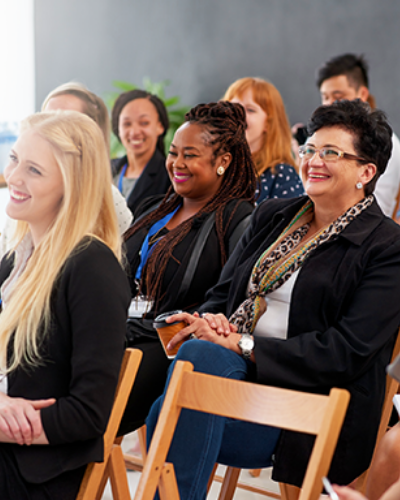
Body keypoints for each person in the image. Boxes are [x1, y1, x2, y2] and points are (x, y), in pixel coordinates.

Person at [145, 99, 400, 500]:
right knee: (194, 369)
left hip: (311, 401)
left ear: (366, 172)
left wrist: (244, 345)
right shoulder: (274, 215)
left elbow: (345, 352)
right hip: (232, 378)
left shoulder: (386, 246)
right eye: (309, 149)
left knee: (171, 407)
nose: (313, 160)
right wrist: (211, 322)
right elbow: (221, 296)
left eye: (330, 153)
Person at [0, 111, 131, 499]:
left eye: (34, 170)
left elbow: (89, 413)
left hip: (34, 473)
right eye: (14, 160)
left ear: (70, 186)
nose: (15, 177)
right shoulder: (17, 259)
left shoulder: (91, 267)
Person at [119, 101, 256, 435]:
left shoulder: (237, 220)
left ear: (223, 161)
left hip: (167, 343)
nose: (177, 164)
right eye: (173, 153)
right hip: (119, 329)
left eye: (190, 155)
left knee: (84, 402)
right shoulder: (154, 208)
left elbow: (228, 298)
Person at [316, 53, 400, 217]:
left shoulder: (384, 145)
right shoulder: (319, 136)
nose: (328, 105)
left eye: (338, 97)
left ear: (362, 94)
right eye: (325, 97)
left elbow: (376, 212)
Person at [42, 82, 133, 233]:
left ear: (91, 129)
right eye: (46, 118)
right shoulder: (26, 186)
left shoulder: (108, 199)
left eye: (66, 120)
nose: (53, 128)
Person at [223, 77, 304, 204]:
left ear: (269, 124)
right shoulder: (215, 166)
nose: (239, 114)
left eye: (250, 110)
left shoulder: (282, 175)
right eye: (234, 107)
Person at [111, 89, 171, 214]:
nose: (134, 132)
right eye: (127, 124)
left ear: (160, 126)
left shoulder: (170, 176)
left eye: (144, 123)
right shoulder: (104, 170)